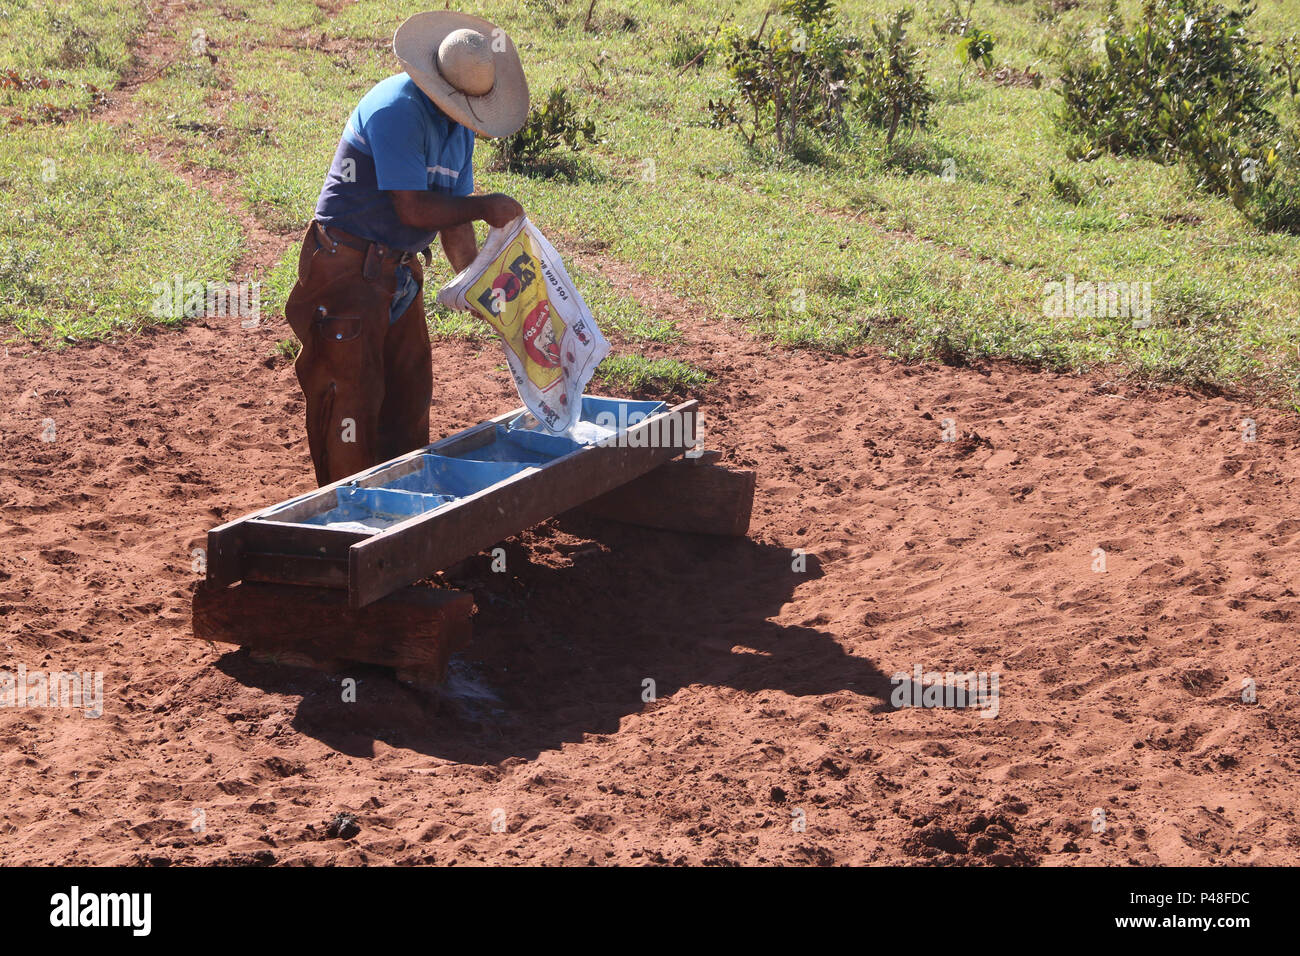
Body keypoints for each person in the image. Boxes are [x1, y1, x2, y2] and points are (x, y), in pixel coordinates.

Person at [285, 10, 528, 485]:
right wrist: (486, 206)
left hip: (396, 274)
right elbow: (414, 210)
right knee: (351, 403)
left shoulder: (458, 129)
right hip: (346, 271)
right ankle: (350, 527)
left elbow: (453, 223)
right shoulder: (396, 109)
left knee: (409, 397)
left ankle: (402, 513)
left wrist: (479, 285)